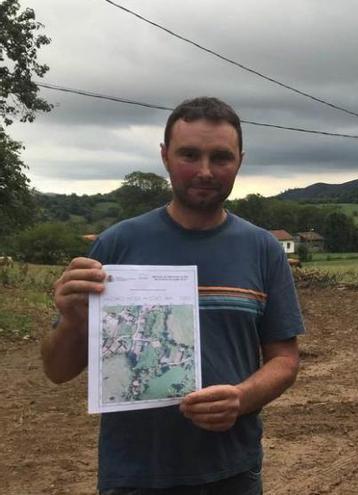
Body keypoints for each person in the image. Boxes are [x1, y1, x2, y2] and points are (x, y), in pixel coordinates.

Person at [40, 96, 304, 494]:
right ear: (164, 156)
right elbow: (58, 371)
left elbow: (284, 360)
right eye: (189, 155)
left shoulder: (262, 249)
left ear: (240, 160)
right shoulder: (117, 245)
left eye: (221, 157)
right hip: (134, 475)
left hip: (231, 472)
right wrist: (74, 320)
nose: (205, 171)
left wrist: (241, 398)